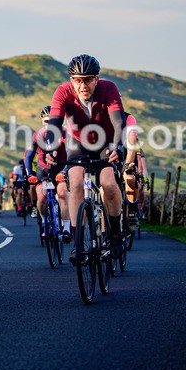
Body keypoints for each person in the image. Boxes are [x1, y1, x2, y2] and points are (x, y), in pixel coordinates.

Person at [44, 54, 127, 262]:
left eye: (88, 79)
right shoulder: (63, 91)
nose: (83, 85)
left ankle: (115, 234)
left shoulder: (109, 88)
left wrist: (118, 146)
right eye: (78, 80)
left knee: (108, 184)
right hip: (77, 143)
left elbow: (119, 123)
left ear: (96, 79)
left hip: (105, 143)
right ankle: (78, 243)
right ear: (71, 79)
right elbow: (54, 123)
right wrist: (51, 149)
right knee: (76, 183)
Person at [24, 105, 71, 240]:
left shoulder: (64, 132)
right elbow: (28, 156)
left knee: (62, 194)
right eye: (46, 121)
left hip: (61, 168)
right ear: (41, 122)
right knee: (42, 199)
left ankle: (66, 229)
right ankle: (45, 221)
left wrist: (65, 171)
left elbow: (69, 152)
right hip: (43, 169)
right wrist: (29, 174)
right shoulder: (37, 134)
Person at [123, 111, 148, 218]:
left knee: (135, 183)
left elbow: (140, 159)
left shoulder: (136, 145)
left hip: (132, 159)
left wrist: (141, 174)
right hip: (118, 157)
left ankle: (136, 208)